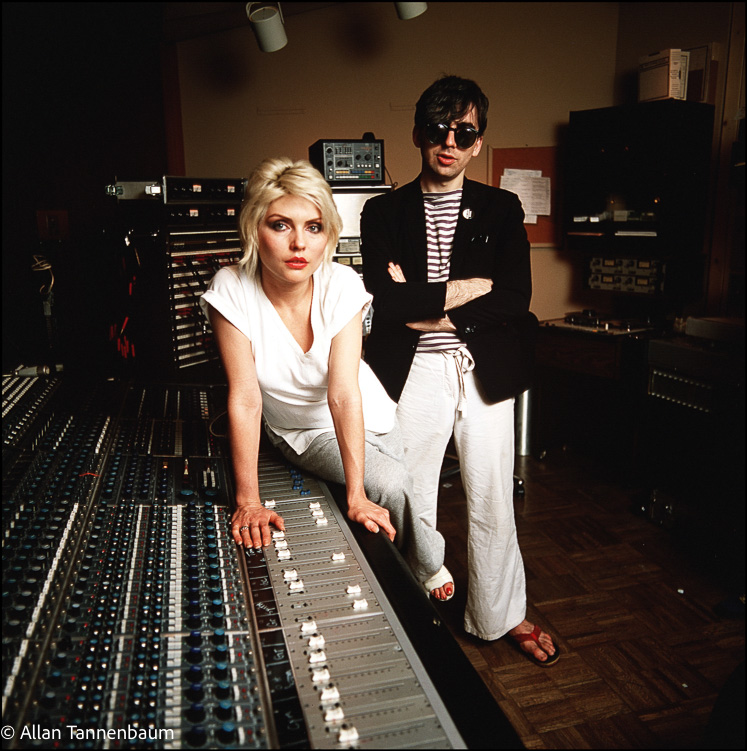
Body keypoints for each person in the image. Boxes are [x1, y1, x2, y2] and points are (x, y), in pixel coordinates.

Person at [360, 75, 559, 665]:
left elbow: (514, 298)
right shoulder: (383, 211)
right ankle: (412, 596)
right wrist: (466, 289)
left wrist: (430, 307)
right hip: (412, 368)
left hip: (484, 365)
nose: (449, 141)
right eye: (437, 129)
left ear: (477, 142)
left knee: (492, 494)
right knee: (408, 489)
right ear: (419, 135)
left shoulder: (502, 207)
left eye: (463, 131)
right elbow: (383, 303)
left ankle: (500, 615)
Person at [199, 157, 452, 599]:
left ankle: (409, 572)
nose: (299, 243)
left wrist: (355, 493)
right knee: (392, 484)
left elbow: (343, 393)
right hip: (303, 429)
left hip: (370, 411)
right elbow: (244, 399)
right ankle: (428, 570)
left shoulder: (342, 284)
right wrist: (249, 501)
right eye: (280, 225)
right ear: (255, 228)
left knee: (398, 488)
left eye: (314, 227)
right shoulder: (231, 288)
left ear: (328, 234)